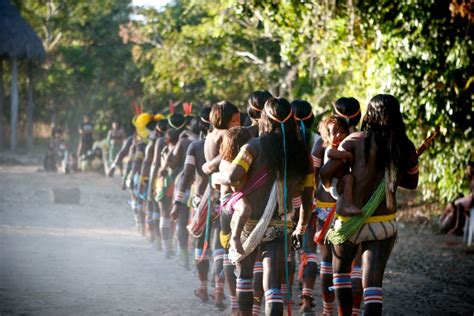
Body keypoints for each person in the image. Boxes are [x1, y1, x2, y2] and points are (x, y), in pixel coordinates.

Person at [213, 97, 314, 316]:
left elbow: (232, 177)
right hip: (281, 224)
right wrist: (301, 227)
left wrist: (215, 177)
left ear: (264, 118)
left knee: (246, 278)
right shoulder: (302, 153)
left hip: (249, 224)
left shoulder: (254, 146)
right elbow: (308, 196)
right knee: (273, 287)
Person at [320, 94, 419, 316]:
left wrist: (335, 188)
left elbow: (325, 173)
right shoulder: (405, 146)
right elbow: (412, 183)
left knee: (341, 274)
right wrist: (391, 173)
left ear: (369, 114)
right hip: (384, 224)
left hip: (349, 223)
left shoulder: (354, 140)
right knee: (373, 285)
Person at [170, 108, 212, 302]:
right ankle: (221, 290)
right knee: (222, 246)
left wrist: (177, 201)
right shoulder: (238, 142)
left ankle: (203, 286)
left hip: (202, 201)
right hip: (229, 202)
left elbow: (186, 175)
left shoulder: (195, 145)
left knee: (200, 241)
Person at [203, 100, 240, 309]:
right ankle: (225, 293)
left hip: (213, 195)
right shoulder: (226, 136)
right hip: (224, 196)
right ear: (225, 119)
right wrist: (211, 165)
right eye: (235, 120)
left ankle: (218, 289)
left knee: (219, 245)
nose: (238, 124)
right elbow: (221, 160)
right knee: (226, 248)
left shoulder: (210, 134)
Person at [218, 126, 253, 315]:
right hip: (233, 208)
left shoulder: (228, 162)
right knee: (234, 259)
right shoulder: (230, 163)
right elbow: (235, 184)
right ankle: (236, 305)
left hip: (228, 213)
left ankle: (235, 304)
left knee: (231, 258)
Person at [319, 116, 360, 215]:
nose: (339, 135)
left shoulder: (341, 146)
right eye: (334, 133)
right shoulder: (331, 148)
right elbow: (331, 154)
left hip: (339, 183)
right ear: (328, 136)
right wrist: (347, 155)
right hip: (334, 185)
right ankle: (348, 205)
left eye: (342, 132)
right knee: (348, 178)